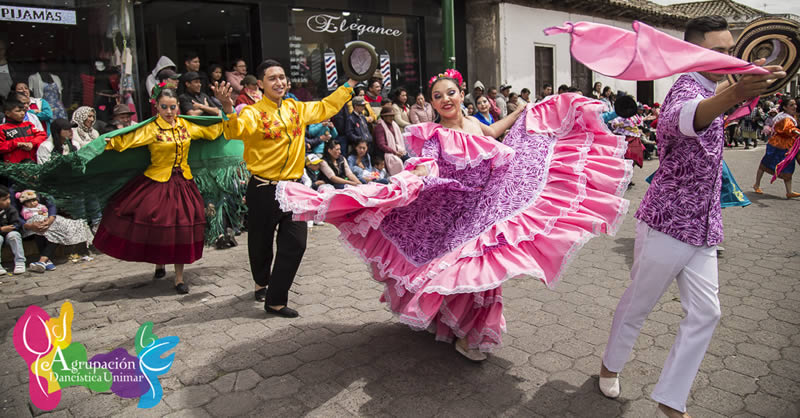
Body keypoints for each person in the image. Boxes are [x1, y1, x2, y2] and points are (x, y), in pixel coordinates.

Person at [276, 68, 632, 361]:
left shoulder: (477, 125)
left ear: (461, 94)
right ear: (432, 104)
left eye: (450, 93)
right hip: (451, 212)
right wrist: (403, 182)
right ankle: (466, 334)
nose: (445, 100)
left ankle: (464, 331)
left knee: (486, 275)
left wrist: (520, 113)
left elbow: (494, 133)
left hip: (485, 208)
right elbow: (426, 167)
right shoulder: (434, 135)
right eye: (437, 96)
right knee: (458, 271)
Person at [598, 16, 785, 418]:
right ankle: (609, 366)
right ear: (691, 53)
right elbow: (687, 117)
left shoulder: (717, 87)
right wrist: (733, 95)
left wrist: (758, 78)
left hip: (704, 226)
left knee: (707, 313)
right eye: (716, 51)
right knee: (639, 304)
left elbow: (732, 100)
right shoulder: (684, 91)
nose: (726, 57)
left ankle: (671, 399)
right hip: (667, 222)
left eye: (730, 50)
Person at [212, 59, 357, 317]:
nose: (279, 82)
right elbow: (235, 131)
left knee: (296, 243)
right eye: (272, 78)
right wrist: (227, 106)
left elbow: (325, 107)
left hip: (293, 189)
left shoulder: (296, 108)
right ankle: (261, 283)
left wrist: (350, 84)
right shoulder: (251, 112)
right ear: (261, 84)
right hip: (263, 188)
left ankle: (275, 299)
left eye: (282, 77)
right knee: (260, 243)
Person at [93, 88, 225, 294]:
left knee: (182, 227)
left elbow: (213, 131)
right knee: (157, 225)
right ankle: (159, 263)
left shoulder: (186, 125)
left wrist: (225, 114)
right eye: (164, 107)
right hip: (157, 182)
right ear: (157, 107)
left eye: (173, 107)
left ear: (178, 107)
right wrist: (104, 145)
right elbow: (128, 140)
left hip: (184, 183)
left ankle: (179, 278)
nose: (169, 111)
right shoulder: (151, 129)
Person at [753, 97, 800, 198]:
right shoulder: (786, 118)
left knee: (788, 166)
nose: (794, 106)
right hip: (777, 145)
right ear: (785, 107)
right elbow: (788, 129)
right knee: (765, 164)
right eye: (791, 105)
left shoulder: (787, 116)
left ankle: (789, 191)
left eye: (795, 104)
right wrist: (796, 132)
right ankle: (756, 184)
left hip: (786, 146)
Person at [16, 189, 93, 249]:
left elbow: (50, 205)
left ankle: (44, 259)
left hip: (48, 220)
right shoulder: (25, 209)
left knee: (65, 223)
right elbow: (18, 216)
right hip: (31, 224)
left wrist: (50, 219)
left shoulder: (41, 191)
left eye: (34, 200)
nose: (32, 203)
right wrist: (28, 225)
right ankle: (44, 258)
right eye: (29, 202)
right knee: (41, 225)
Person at [0, 97, 46, 163]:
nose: (22, 113)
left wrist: (32, 143)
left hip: (32, 163)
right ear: (7, 113)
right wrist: (16, 144)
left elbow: (42, 135)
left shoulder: (28, 125)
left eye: (23, 110)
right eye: (18, 111)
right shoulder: (2, 129)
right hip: (13, 167)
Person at [374, 104, 409, 176]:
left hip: (396, 151)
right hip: (385, 153)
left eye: (392, 116)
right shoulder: (380, 127)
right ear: (384, 116)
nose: (392, 118)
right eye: (390, 116)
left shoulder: (393, 125)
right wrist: (395, 152)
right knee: (398, 162)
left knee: (409, 160)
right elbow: (381, 145)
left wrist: (398, 150)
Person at [0, 185, 26, 274]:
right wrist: (1, 229)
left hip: (9, 234)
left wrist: (13, 227)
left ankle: (20, 262)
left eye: (8, 198)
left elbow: (17, 223)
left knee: (14, 235)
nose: (8, 201)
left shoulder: (10, 209)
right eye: (4, 199)